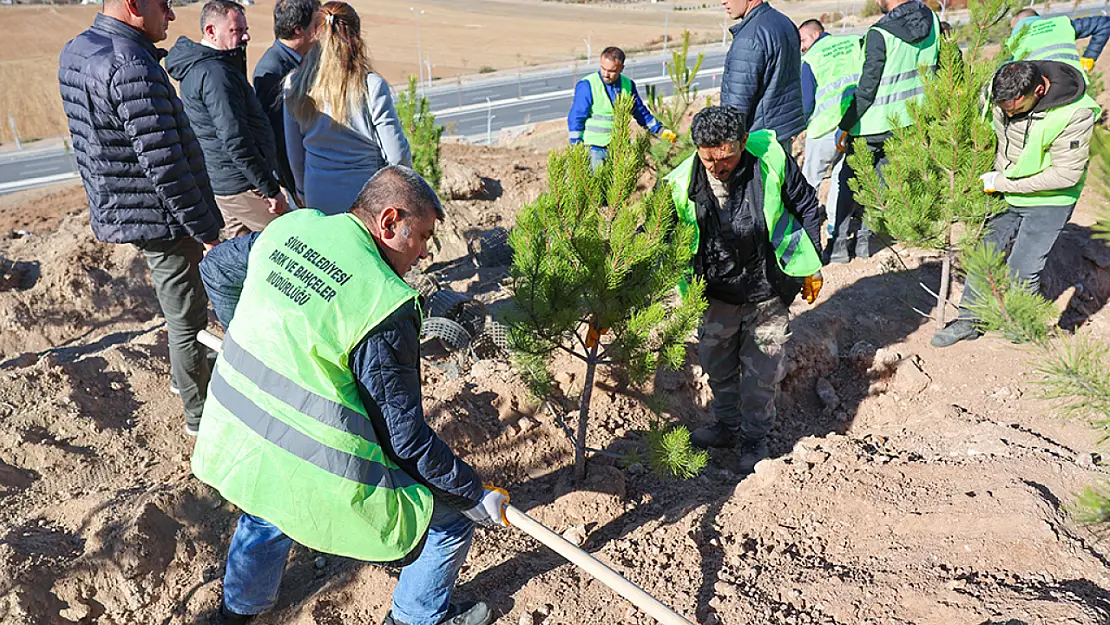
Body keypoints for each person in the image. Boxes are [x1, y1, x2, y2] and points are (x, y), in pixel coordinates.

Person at [195, 166, 505, 625]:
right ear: (389, 221)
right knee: (448, 522)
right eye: (420, 236)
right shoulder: (382, 300)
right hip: (316, 467)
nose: (421, 254)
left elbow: (215, 267)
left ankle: (236, 612)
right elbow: (405, 441)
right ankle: (415, 618)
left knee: (269, 503)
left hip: (239, 432)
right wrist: (471, 493)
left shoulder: (292, 230)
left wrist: (249, 332)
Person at [58, 0, 223, 436]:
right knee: (187, 318)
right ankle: (199, 418)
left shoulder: (78, 49)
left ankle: (183, 377)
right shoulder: (131, 66)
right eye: (165, 6)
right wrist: (206, 230)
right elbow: (166, 166)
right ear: (134, 5)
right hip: (162, 216)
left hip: (129, 205)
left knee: (179, 310)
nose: (170, 16)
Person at [663, 106, 823, 473]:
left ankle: (754, 438)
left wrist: (811, 264)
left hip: (768, 289)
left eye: (727, 159)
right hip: (716, 293)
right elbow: (657, 240)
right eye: (709, 160)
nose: (718, 168)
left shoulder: (770, 161)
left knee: (761, 373)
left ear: (744, 143)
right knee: (717, 367)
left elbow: (807, 207)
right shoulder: (679, 185)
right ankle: (726, 426)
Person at [931, 61, 1099, 348]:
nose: (1008, 114)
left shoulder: (1075, 113)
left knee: (1022, 267)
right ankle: (970, 320)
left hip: (1051, 198)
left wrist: (1004, 183)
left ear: (1040, 89)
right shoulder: (1001, 87)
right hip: (1004, 189)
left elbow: (1065, 175)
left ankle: (1021, 324)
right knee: (983, 254)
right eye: (1003, 108)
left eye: (1015, 110)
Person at [828, 0, 939, 264]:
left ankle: (839, 247)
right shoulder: (932, 20)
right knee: (882, 183)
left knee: (849, 182)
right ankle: (866, 242)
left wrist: (844, 126)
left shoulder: (880, 33)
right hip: (910, 120)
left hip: (871, 125)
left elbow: (866, 91)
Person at [167, 0, 288, 240]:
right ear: (211, 31)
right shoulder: (215, 75)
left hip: (226, 185)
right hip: (244, 186)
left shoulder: (204, 67)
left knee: (242, 258)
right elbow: (235, 138)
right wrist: (270, 189)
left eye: (245, 29)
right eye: (237, 30)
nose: (246, 37)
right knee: (293, 240)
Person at [284, 1, 412, 215]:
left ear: (315, 35)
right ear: (358, 35)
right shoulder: (370, 86)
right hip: (367, 198)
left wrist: (302, 192)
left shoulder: (294, 85)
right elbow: (397, 155)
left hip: (318, 196)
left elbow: (295, 154)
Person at [798, 18, 862, 237]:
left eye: (803, 40)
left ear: (815, 34)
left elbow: (807, 102)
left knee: (809, 181)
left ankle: (804, 229)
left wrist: (802, 124)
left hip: (824, 129)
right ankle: (835, 229)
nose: (801, 47)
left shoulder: (811, 58)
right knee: (839, 178)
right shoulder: (854, 42)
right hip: (853, 124)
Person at [253, 0, 321, 203]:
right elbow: (279, 138)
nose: (321, 31)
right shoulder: (273, 71)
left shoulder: (303, 59)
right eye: (316, 24)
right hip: (298, 181)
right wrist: (295, 188)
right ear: (299, 30)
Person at [567, 46, 676, 170]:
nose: (606, 74)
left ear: (621, 68)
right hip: (593, 149)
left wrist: (660, 130)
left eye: (611, 71)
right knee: (595, 185)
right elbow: (576, 118)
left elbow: (640, 112)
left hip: (618, 148)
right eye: (603, 68)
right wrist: (576, 147)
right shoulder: (588, 85)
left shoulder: (628, 85)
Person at [720, 0, 805, 153]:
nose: (722, 2)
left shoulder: (749, 38)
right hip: (781, 132)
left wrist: (725, 147)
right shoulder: (784, 22)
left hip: (758, 142)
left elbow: (736, 105)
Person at [1008, 9, 1110, 75]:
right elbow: (1104, 23)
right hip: (1074, 83)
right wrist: (1089, 58)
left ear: (1017, 25)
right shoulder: (1061, 25)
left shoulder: (1015, 39)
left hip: (1039, 91)